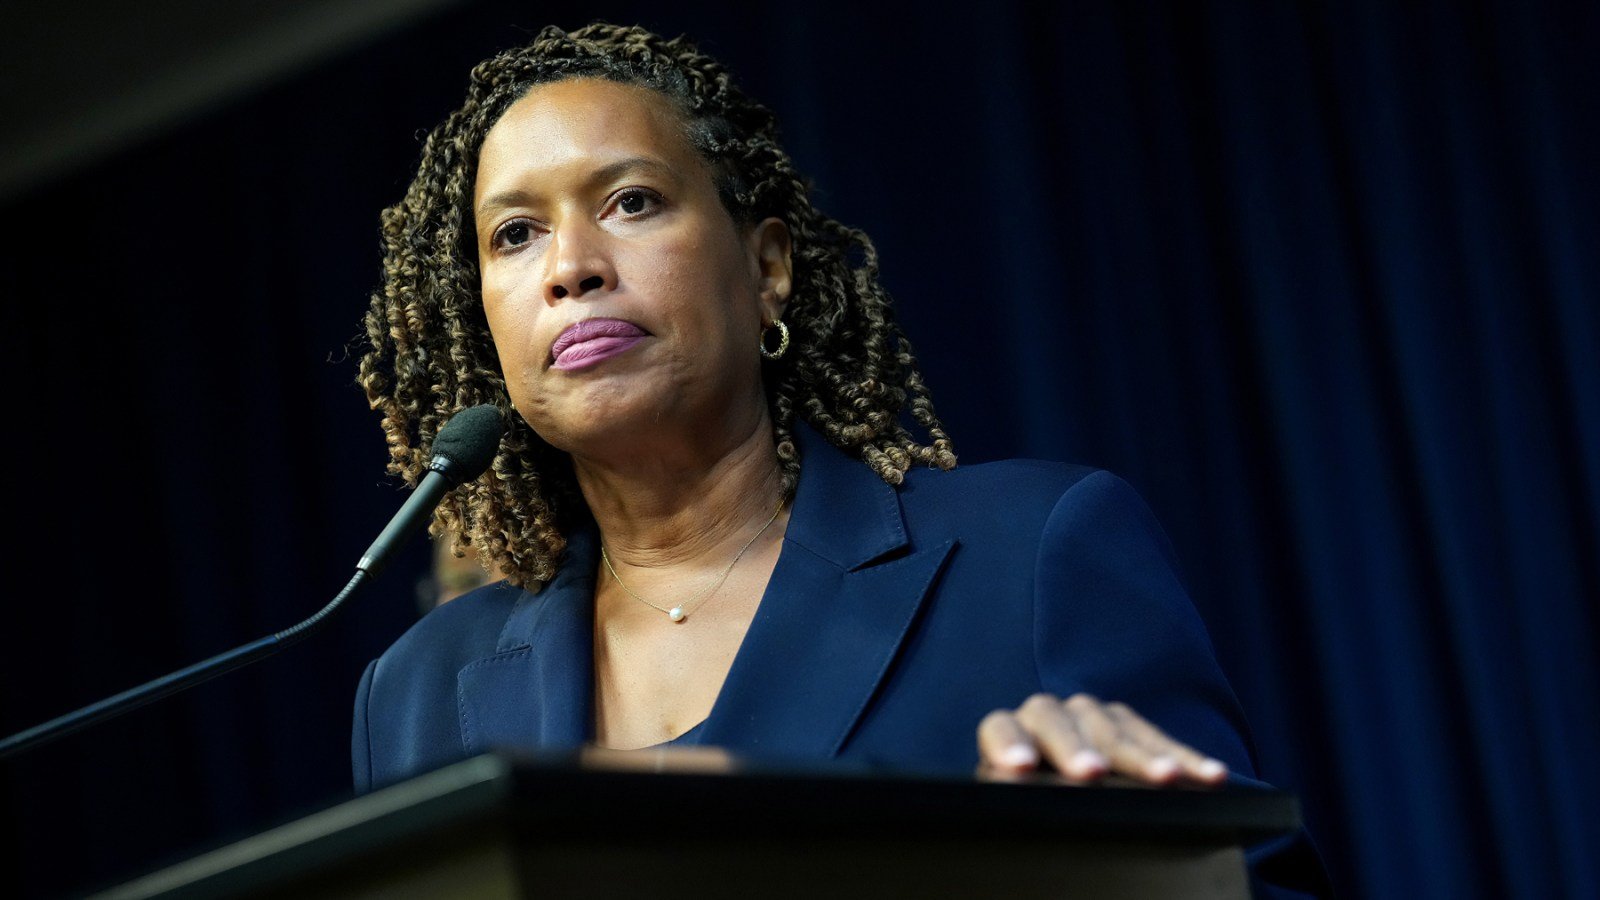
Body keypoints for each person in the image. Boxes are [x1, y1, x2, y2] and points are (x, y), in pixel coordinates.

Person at [352, 22, 1327, 896]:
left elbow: (1251, 884)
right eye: (515, 234)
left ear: (767, 267)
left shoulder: (1031, 553)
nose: (571, 267)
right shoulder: (416, 694)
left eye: (632, 201)